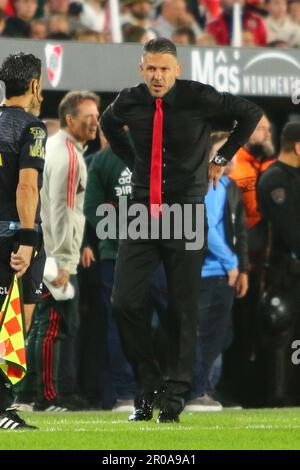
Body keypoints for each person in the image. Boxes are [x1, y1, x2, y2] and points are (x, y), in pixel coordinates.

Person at [100, 37, 263, 423]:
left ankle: (173, 397)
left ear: (178, 70)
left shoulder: (199, 97)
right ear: (142, 69)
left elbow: (251, 113)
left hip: (187, 211)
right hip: (141, 212)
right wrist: (135, 161)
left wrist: (221, 157)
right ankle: (148, 384)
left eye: (164, 69)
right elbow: (108, 123)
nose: (157, 76)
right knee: (123, 303)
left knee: (183, 308)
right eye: (151, 68)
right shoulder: (130, 100)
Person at [15, 91, 99, 411]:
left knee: (41, 326)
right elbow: (62, 210)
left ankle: (27, 393)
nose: (95, 122)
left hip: (45, 250)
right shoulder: (68, 154)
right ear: (69, 119)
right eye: (89, 116)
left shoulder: (55, 147)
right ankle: (45, 397)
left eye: (97, 115)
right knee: (53, 327)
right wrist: (63, 259)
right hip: (54, 253)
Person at [0, 52, 47, 429]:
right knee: (18, 320)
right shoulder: (32, 128)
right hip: (17, 234)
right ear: (34, 85)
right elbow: (27, 184)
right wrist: (28, 237)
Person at [186, 132, 249, 412]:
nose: (231, 156)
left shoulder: (225, 184)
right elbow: (206, 227)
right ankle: (198, 391)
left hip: (216, 270)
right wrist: (231, 262)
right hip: (209, 271)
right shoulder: (211, 184)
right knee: (207, 334)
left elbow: (237, 231)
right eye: (225, 150)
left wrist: (240, 265)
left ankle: (206, 390)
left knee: (219, 335)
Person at [257, 122, 300, 405]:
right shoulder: (274, 179)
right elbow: (289, 230)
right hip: (285, 273)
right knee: (281, 329)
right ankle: (278, 398)